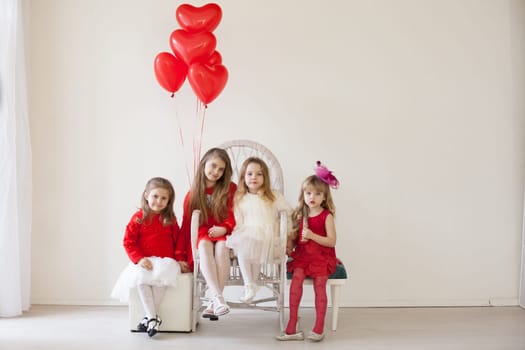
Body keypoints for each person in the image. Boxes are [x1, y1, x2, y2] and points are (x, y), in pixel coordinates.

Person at [111, 177, 191, 337]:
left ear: (169, 201)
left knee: (162, 280)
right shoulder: (138, 217)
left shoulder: (170, 219)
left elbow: (179, 241)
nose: (159, 201)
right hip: (145, 261)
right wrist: (139, 259)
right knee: (141, 279)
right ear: (146, 195)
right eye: (155, 196)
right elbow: (128, 242)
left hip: (166, 261)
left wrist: (180, 258)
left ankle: (149, 318)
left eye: (164, 198)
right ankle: (153, 318)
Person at [276, 161, 339, 342]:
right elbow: (295, 237)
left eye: (318, 194)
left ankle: (319, 327)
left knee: (320, 286)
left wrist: (312, 235)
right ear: (303, 194)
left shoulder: (326, 216)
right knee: (296, 282)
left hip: (321, 257)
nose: (312, 197)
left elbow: (331, 241)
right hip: (303, 257)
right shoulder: (299, 215)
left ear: (324, 197)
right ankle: (292, 325)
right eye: (308, 192)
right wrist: (290, 243)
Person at [226, 157, 292, 303]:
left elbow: (287, 214)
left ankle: (251, 285)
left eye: (259, 174)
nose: (254, 177)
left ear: (265, 177)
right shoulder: (240, 198)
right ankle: (250, 284)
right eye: (249, 174)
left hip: (268, 235)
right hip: (247, 233)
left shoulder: (273, 195)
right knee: (246, 244)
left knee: (254, 244)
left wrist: (288, 237)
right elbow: (238, 220)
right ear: (243, 177)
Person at [180, 148, 236, 317]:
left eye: (221, 169)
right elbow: (187, 225)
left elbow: (236, 213)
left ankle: (215, 300)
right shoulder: (193, 194)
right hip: (202, 233)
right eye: (213, 166)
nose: (216, 172)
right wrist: (179, 254)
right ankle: (218, 297)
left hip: (224, 231)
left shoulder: (231, 189)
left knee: (222, 247)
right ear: (203, 164)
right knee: (203, 245)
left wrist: (225, 227)